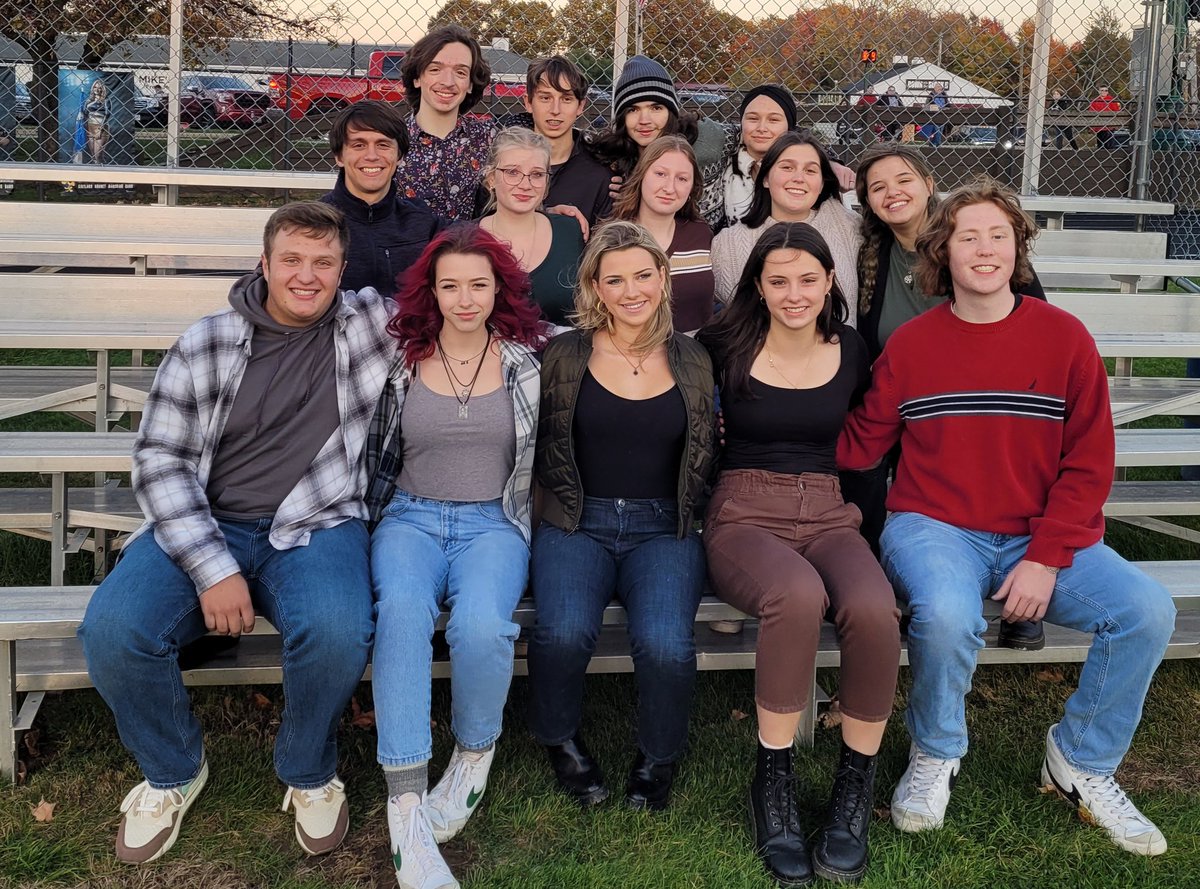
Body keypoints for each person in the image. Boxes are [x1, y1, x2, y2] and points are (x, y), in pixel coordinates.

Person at [838, 180, 1177, 857]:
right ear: (943, 252)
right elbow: (859, 444)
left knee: (1146, 609)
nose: (984, 248)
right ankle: (935, 751)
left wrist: (1047, 555)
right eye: (968, 236)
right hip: (934, 526)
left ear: (1018, 247)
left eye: (998, 234)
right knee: (945, 613)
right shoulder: (911, 345)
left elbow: (1089, 463)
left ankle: (1081, 756)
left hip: (1039, 531)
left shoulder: (1064, 338)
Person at [77, 202, 397, 864]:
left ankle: (308, 769)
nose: (306, 276)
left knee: (339, 627)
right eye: (292, 260)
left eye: (323, 262)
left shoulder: (370, 327)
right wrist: (213, 567)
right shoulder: (208, 340)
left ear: (343, 269)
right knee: (112, 628)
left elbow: (473, 304)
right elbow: (161, 459)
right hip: (208, 516)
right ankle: (172, 768)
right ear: (265, 263)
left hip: (316, 521)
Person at [696, 222, 900, 885]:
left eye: (807, 279)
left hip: (829, 508)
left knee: (873, 605)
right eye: (778, 280)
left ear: (829, 281)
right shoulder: (722, 343)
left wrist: (865, 532)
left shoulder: (851, 347)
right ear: (757, 283)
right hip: (743, 510)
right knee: (798, 594)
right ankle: (773, 780)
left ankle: (852, 789)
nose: (794, 293)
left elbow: (868, 446)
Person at [364, 225, 545, 889]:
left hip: (492, 521)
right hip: (409, 515)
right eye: (449, 286)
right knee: (404, 610)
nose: (464, 298)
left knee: (481, 625)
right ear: (429, 290)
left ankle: (474, 750)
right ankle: (406, 800)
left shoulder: (528, 359)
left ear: (498, 287)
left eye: (477, 283)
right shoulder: (399, 357)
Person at [527, 220, 716, 812]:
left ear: (663, 278)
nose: (632, 290)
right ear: (594, 288)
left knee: (664, 644)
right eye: (615, 280)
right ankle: (559, 737)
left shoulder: (694, 358)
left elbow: (709, 446)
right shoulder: (561, 355)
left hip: (664, 527)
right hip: (577, 519)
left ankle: (658, 755)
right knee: (562, 632)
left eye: (643, 274)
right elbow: (533, 441)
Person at [853, 145, 1048, 651]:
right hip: (909, 400)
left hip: (988, 397)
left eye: (903, 179)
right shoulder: (874, 256)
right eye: (877, 187)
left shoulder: (976, 240)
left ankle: (1021, 597)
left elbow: (1032, 323)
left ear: (927, 182)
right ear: (868, 202)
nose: (892, 192)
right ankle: (880, 581)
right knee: (866, 453)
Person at [711, 131, 862, 313]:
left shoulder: (850, 226)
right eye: (787, 168)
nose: (798, 178)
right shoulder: (727, 245)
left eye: (810, 170)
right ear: (765, 178)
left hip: (842, 340)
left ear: (822, 183)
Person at [321, 100, 448, 298]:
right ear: (339, 156)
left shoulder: (424, 223)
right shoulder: (311, 222)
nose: (372, 156)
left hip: (409, 328)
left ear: (399, 156)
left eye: (383, 144)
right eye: (359, 145)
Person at [586, 55, 727, 223]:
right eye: (633, 109)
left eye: (656, 108)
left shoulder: (705, 145)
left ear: (671, 113)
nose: (644, 120)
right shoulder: (611, 164)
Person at [478, 128, 585, 327]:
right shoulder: (466, 239)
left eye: (536, 174)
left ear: (546, 182)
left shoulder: (570, 231)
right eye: (512, 172)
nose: (525, 184)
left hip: (562, 354)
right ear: (491, 179)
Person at [611, 135, 715, 333]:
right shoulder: (612, 238)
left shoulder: (700, 234)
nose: (669, 188)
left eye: (682, 179)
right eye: (660, 174)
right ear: (641, 175)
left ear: (692, 187)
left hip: (695, 356)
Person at [396, 25, 497, 219]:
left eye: (460, 72)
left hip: (470, 246)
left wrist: (549, 214)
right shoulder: (393, 140)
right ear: (417, 78)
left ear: (470, 84)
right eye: (435, 69)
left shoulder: (488, 138)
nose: (448, 81)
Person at [517, 55, 614, 225]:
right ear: (529, 102)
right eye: (545, 98)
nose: (555, 110)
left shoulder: (600, 174)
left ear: (581, 106)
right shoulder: (505, 165)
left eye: (566, 99)